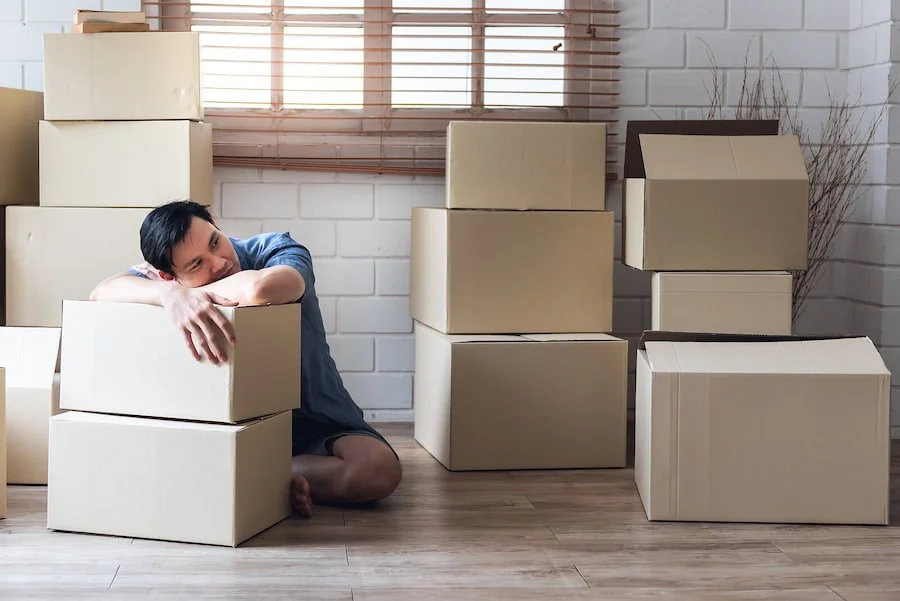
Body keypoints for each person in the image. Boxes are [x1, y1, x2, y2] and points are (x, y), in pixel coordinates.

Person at [89, 200, 402, 518]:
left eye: (215, 241)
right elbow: (101, 293)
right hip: (226, 426)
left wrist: (193, 293)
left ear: (216, 224)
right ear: (169, 276)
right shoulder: (167, 284)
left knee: (379, 470)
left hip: (313, 418)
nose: (220, 261)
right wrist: (168, 295)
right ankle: (268, 480)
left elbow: (259, 290)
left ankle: (274, 474)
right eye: (197, 265)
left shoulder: (277, 249)